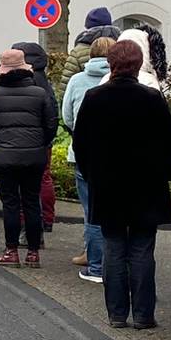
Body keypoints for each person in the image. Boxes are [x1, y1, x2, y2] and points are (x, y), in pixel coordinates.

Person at [74, 40, 171, 328]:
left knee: (114, 248)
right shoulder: (152, 98)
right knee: (143, 250)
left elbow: (80, 144)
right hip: (147, 186)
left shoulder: (94, 98)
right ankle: (144, 315)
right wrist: (165, 175)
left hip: (107, 186)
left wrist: (92, 175)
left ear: (111, 63)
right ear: (138, 64)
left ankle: (117, 314)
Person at [0, 49, 57, 267]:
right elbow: (51, 125)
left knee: (10, 204)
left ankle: (11, 251)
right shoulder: (39, 93)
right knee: (32, 202)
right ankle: (33, 253)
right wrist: (39, 144)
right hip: (34, 156)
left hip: (3, 156)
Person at [61, 38, 111, 282]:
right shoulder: (119, 79)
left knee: (91, 209)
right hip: (112, 153)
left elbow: (67, 116)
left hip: (83, 152)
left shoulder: (77, 80)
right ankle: (114, 260)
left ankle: (95, 263)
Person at [11, 41, 58, 234]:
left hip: (24, 140)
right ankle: (47, 218)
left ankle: (27, 222)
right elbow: (53, 112)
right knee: (45, 178)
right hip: (43, 139)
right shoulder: (44, 81)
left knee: (25, 184)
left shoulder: (20, 79)